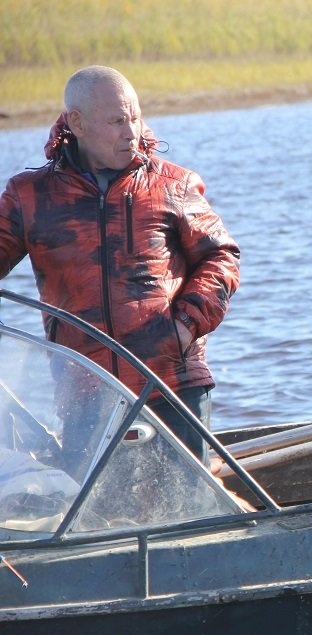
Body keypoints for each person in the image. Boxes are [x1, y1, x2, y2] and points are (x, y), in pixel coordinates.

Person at [0, 65, 240, 461]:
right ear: (76, 122)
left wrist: (185, 326)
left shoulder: (173, 185)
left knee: (193, 516)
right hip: (85, 394)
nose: (130, 131)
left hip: (172, 385)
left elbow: (222, 256)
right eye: (115, 121)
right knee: (96, 519)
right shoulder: (29, 196)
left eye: (134, 117)